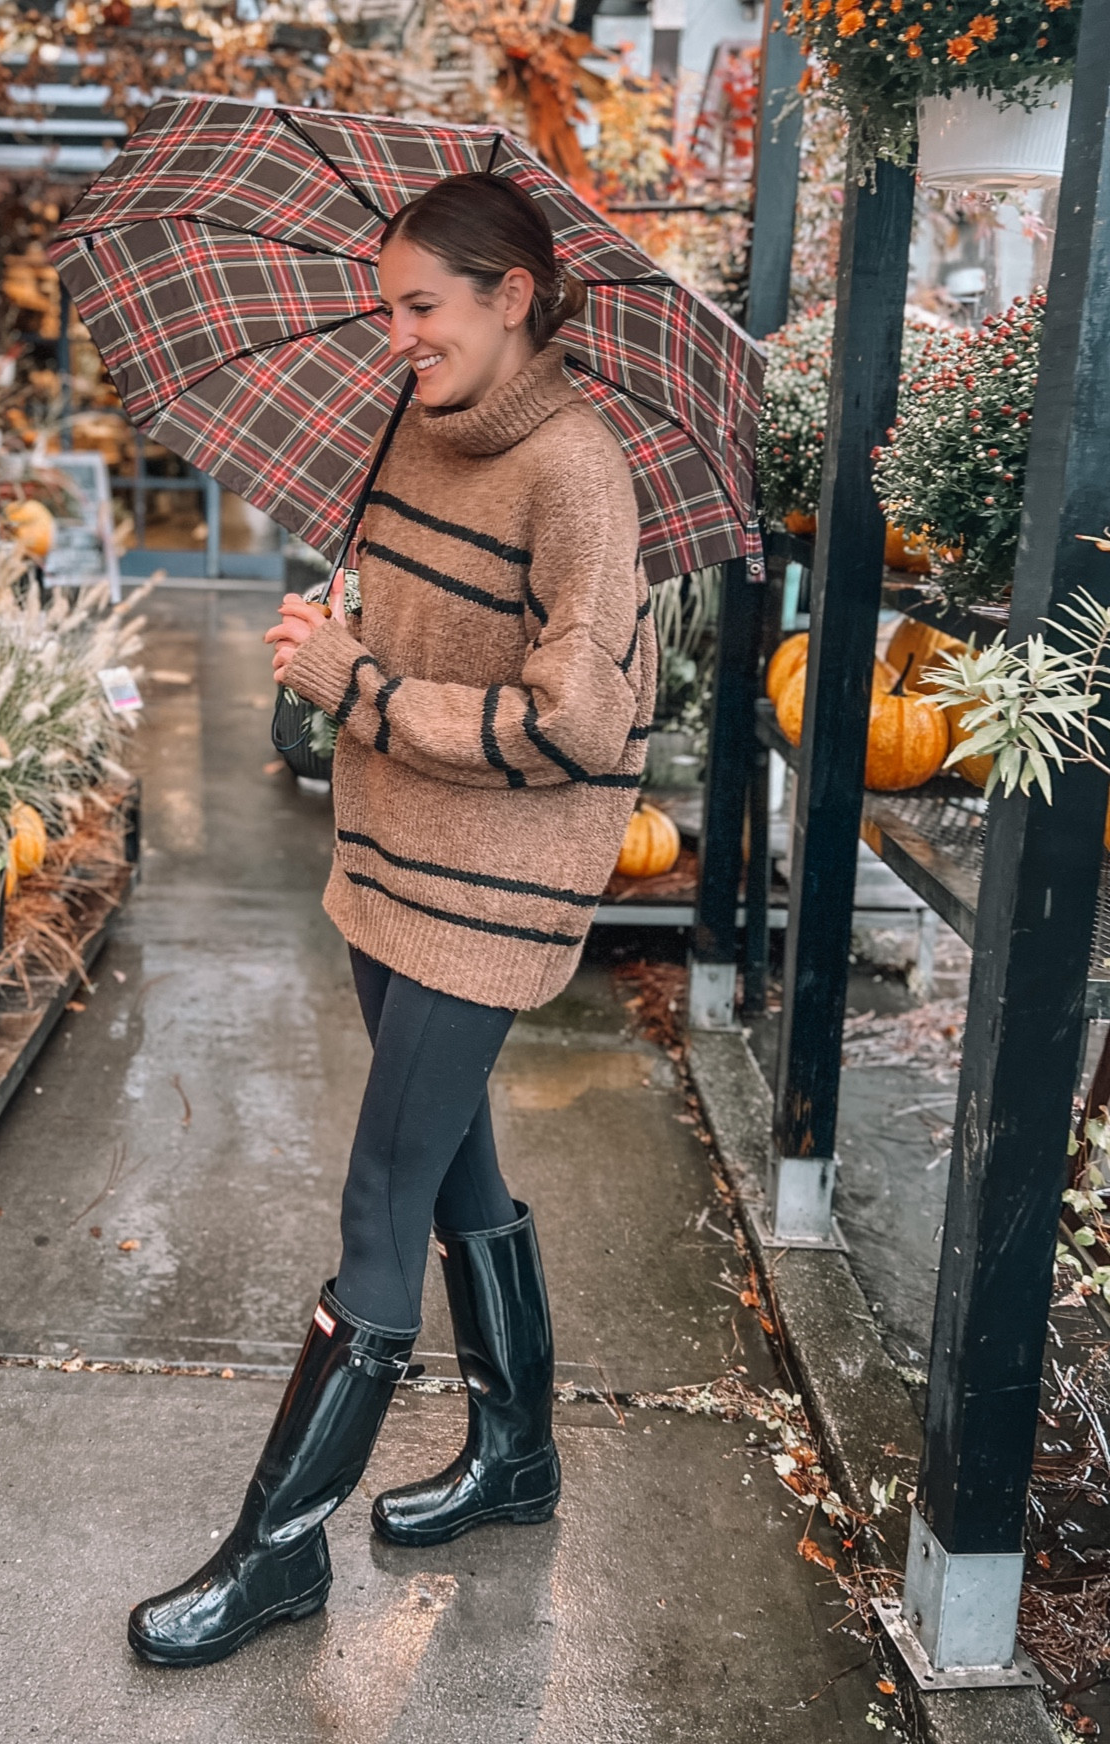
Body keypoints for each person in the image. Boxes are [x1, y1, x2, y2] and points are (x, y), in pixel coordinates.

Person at [127, 170, 658, 1668]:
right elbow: (408, 628)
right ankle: (517, 1458)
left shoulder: (577, 471)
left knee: (381, 1193)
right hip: (387, 853)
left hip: (491, 881)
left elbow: (577, 720)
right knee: (452, 1158)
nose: (399, 334)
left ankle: (278, 1550)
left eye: (424, 306)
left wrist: (359, 685)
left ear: (514, 295)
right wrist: (339, 635)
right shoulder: (411, 425)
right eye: (387, 308)